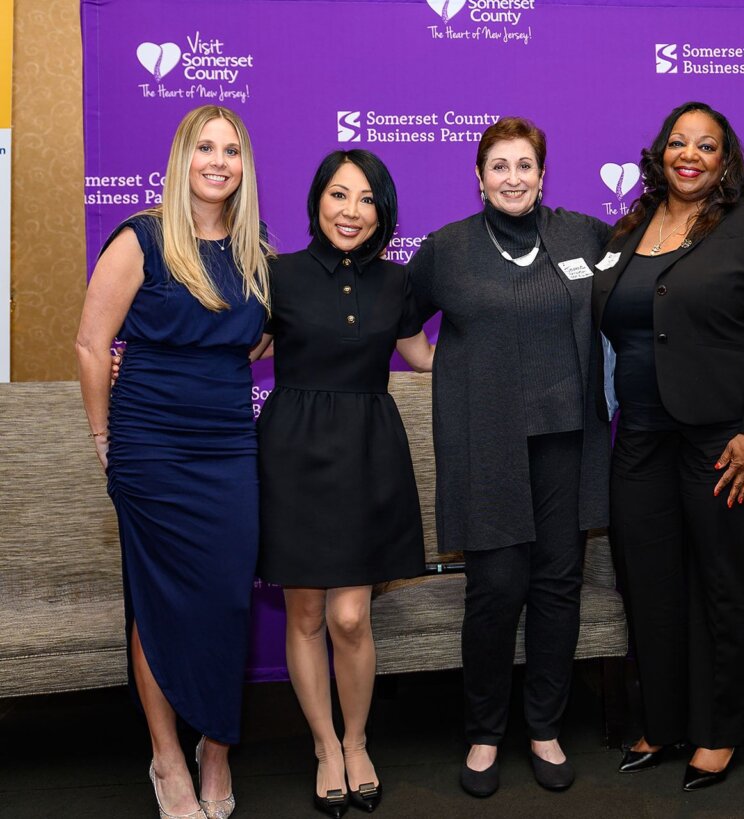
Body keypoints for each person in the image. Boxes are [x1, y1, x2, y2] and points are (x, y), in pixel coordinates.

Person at [593, 102, 744, 790]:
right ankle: (662, 718)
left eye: (706, 146)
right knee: (649, 585)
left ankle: (720, 729)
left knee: (725, 582)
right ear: (660, 153)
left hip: (724, 437)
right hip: (641, 436)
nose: (690, 154)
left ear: (724, 160)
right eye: (678, 143)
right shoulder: (630, 226)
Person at [407, 116, 611, 798]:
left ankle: (545, 726)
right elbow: (398, 314)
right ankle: (485, 731)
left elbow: (636, 300)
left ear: (543, 174)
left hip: (567, 440)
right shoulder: (448, 249)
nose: (514, 178)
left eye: (525, 165)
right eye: (499, 165)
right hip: (487, 442)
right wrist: (442, 369)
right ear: (479, 175)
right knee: (495, 590)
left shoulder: (583, 235)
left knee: (556, 584)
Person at [76, 105, 271, 819]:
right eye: (205, 148)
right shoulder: (143, 238)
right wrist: (105, 440)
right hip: (150, 446)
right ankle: (166, 757)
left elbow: (254, 341)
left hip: (226, 445)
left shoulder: (255, 250)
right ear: (182, 158)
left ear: (244, 166)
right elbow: (92, 344)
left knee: (225, 601)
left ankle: (214, 748)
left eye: (232, 150)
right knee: (157, 604)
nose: (218, 161)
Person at [252, 150, 433, 818]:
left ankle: (359, 741)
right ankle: (325, 745)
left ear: (382, 211)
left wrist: (519, 354)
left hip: (367, 450)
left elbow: (423, 354)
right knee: (304, 612)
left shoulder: (397, 283)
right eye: (337, 194)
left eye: (365, 199)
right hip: (292, 451)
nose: (350, 210)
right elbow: (240, 348)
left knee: (350, 615)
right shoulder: (279, 275)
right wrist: (147, 359)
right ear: (316, 201)